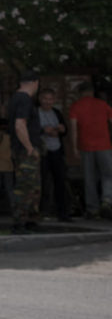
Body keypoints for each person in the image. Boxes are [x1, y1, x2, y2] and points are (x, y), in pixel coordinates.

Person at [68, 81, 112, 219]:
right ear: (92, 92)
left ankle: (92, 209)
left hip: (85, 146)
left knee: (89, 177)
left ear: (80, 93)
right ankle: (107, 200)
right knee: (108, 175)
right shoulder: (103, 105)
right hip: (104, 145)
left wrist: (75, 148)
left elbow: (74, 130)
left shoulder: (75, 106)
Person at [7, 70, 43, 235]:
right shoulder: (24, 99)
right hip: (25, 150)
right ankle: (20, 222)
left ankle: (30, 220)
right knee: (26, 186)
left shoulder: (16, 98)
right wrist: (29, 147)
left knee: (32, 186)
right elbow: (19, 125)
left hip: (20, 149)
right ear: (35, 83)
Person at [37, 87, 71, 222]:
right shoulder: (35, 112)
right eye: (45, 99)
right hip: (42, 151)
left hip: (56, 150)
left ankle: (63, 213)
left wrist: (61, 130)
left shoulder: (56, 112)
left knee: (60, 181)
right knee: (43, 182)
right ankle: (41, 211)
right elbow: (31, 130)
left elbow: (65, 129)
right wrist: (43, 130)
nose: (47, 102)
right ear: (40, 99)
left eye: (50, 99)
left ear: (54, 100)